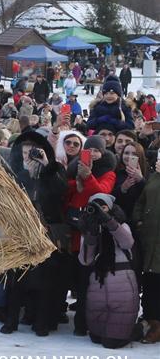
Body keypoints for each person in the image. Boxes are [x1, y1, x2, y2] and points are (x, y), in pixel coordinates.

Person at [0, 130, 67, 336]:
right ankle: (11, 321)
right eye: (26, 149)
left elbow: (61, 192)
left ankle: (41, 322)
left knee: (46, 281)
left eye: (34, 150)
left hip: (47, 233)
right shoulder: (14, 170)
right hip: (21, 233)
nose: (30, 153)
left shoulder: (54, 169)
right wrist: (25, 174)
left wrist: (47, 167)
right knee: (16, 279)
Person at [65, 135, 117, 335]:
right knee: (74, 276)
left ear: (103, 153)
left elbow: (102, 193)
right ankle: (72, 318)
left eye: (96, 151)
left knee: (87, 279)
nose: (93, 154)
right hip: (73, 230)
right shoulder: (74, 167)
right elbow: (66, 190)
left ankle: (83, 323)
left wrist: (87, 176)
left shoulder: (108, 172)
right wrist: (75, 184)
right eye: (89, 150)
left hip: (91, 233)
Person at [76, 193, 140, 348]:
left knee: (111, 343)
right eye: (95, 207)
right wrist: (91, 235)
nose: (99, 211)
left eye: (103, 207)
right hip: (98, 285)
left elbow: (127, 243)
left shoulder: (121, 226)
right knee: (96, 338)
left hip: (122, 285)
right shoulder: (89, 230)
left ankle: (138, 330)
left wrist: (110, 223)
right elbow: (85, 260)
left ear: (111, 208)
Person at [134, 159, 160, 343]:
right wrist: (139, 221)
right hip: (150, 240)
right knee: (151, 284)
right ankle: (152, 321)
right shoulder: (154, 178)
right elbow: (141, 202)